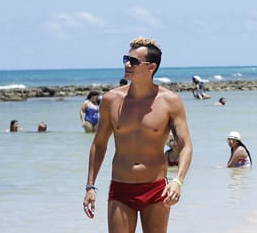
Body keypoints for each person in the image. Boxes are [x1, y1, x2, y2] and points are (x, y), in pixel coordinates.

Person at [83, 37, 193, 233]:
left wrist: (178, 181)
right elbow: (99, 144)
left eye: (133, 61)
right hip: (121, 188)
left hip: (156, 188)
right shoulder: (111, 99)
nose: (127, 64)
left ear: (151, 67)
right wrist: (90, 186)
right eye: (126, 58)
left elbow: (186, 146)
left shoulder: (170, 101)